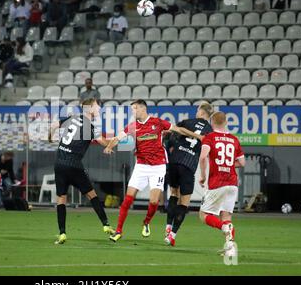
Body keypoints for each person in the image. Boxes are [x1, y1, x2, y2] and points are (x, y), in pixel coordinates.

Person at [103, 100, 203, 242]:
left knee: (154, 201)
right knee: (127, 200)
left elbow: (179, 130)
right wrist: (109, 146)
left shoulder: (158, 122)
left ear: (143, 109)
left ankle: (146, 222)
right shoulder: (133, 126)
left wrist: (199, 136)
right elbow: (118, 137)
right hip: (141, 166)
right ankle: (119, 231)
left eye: (134, 109)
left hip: (158, 167)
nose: (133, 112)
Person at [48, 98, 116, 244]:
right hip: (74, 166)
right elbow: (102, 141)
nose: (99, 109)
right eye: (97, 106)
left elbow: (53, 125)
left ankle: (62, 233)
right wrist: (112, 144)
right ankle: (106, 225)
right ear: (90, 108)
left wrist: (50, 138)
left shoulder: (71, 119)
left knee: (61, 199)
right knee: (92, 195)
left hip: (59, 164)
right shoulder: (89, 127)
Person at [164, 102, 214, 247]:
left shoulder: (187, 122)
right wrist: (204, 174)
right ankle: (172, 235)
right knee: (184, 202)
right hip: (189, 165)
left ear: (201, 112)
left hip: (175, 161)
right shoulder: (210, 132)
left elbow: (173, 132)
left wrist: (171, 147)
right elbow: (206, 153)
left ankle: (167, 226)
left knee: (174, 193)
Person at [199, 111, 245, 257]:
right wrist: (229, 165)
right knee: (227, 217)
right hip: (232, 183)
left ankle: (224, 229)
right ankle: (230, 248)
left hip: (217, 182)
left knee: (203, 215)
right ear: (225, 122)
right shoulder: (234, 139)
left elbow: (203, 156)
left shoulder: (209, 137)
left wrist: (203, 175)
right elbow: (242, 162)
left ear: (212, 123)